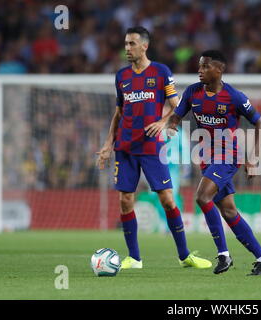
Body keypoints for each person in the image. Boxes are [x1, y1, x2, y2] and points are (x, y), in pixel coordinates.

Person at [96, 26, 211, 270]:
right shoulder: (121, 76)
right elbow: (119, 112)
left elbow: (177, 105)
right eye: (126, 44)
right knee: (125, 200)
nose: (127, 48)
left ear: (144, 46)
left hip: (151, 147)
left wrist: (161, 122)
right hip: (125, 147)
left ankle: (184, 256)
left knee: (168, 200)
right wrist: (108, 144)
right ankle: (134, 258)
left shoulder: (161, 72)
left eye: (132, 44)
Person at [166, 50, 261, 276]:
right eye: (199, 66)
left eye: (205, 66)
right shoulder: (193, 92)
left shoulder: (234, 96)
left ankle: (224, 255)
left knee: (201, 196)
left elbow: (260, 123)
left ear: (219, 70)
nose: (200, 70)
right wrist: (172, 124)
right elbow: (177, 114)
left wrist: (253, 159)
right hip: (207, 157)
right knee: (229, 211)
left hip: (228, 155)